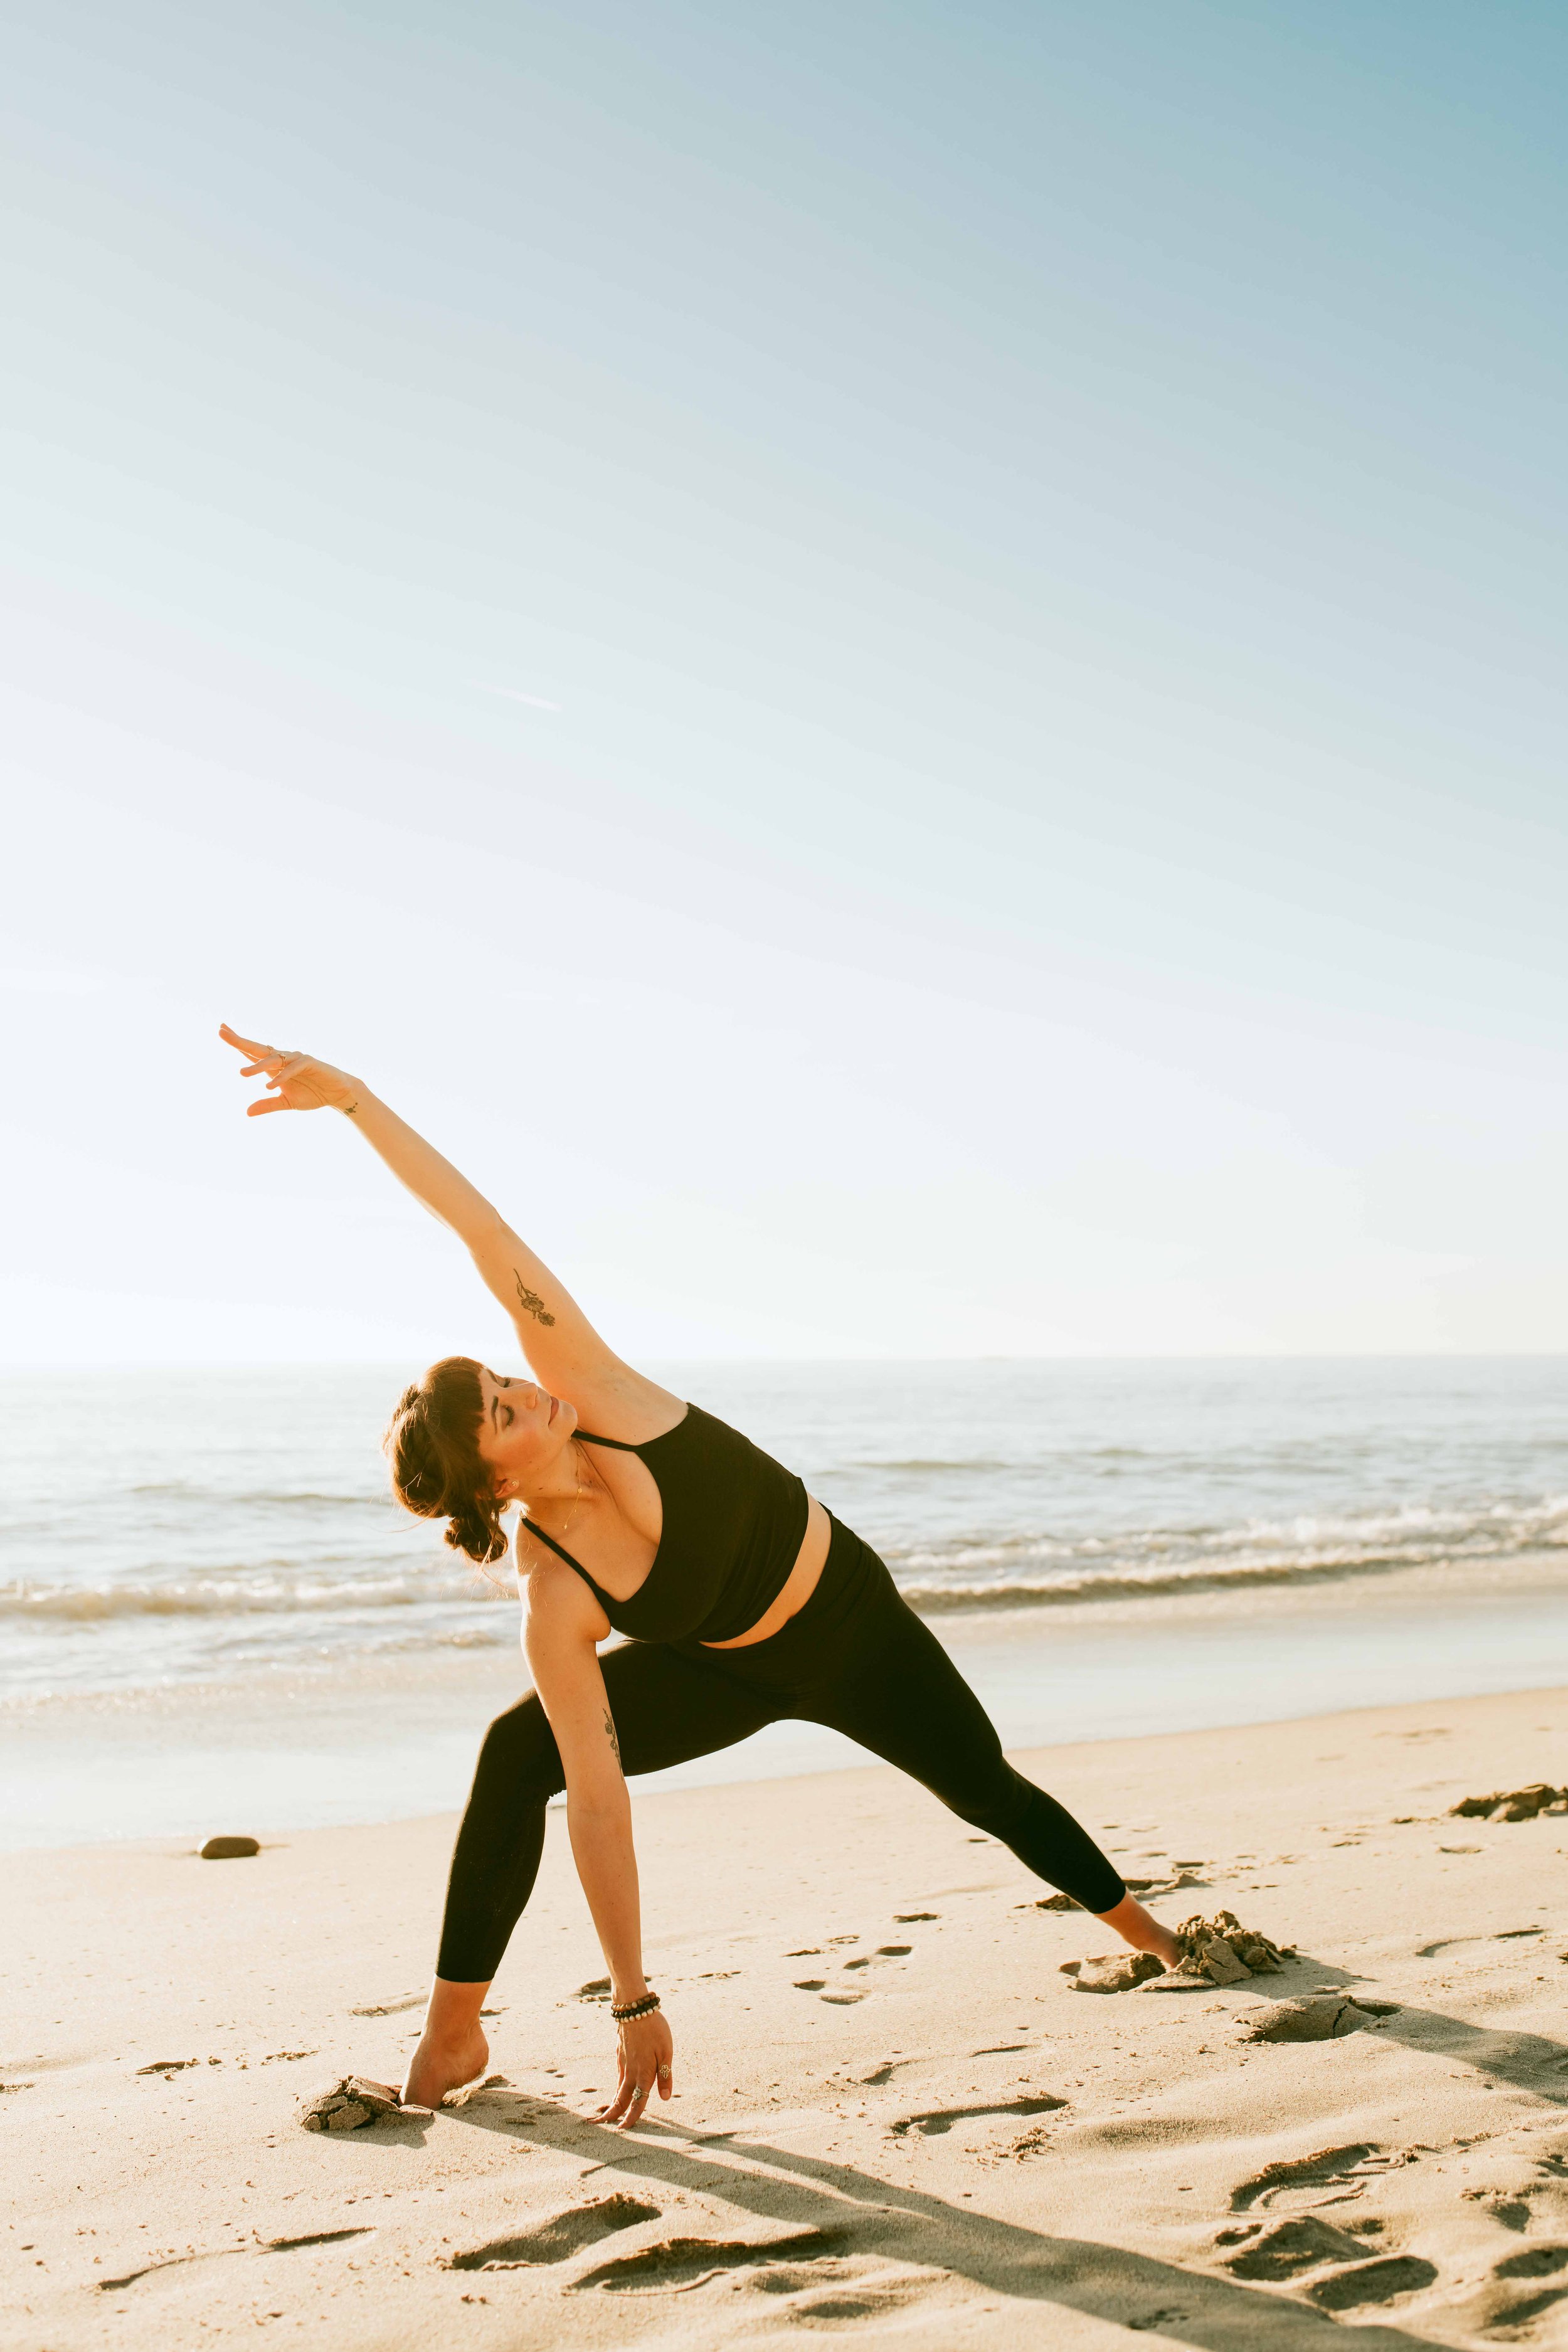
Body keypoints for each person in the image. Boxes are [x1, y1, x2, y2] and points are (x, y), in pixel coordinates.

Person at [220, 1024, 1182, 2128]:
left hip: (850, 1622)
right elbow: (599, 1797)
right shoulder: (556, 1588)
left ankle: (1152, 1936)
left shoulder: (593, 1385)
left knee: (982, 1787)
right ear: (493, 1486)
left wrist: (355, 1100)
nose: (523, 1392)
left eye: (500, 1378)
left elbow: (482, 1231)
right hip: (728, 1668)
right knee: (518, 1747)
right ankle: (454, 2025)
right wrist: (634, 1997)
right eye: (500, 1411)